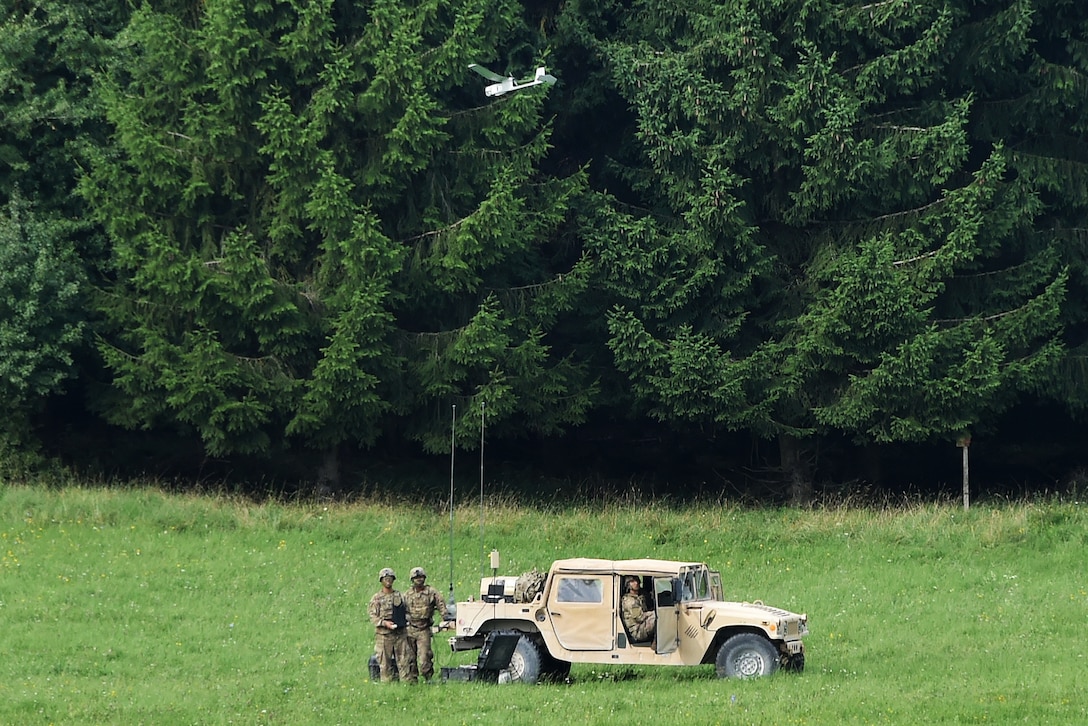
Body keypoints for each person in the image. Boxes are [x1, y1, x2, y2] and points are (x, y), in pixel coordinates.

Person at [403, 566, 449, 682]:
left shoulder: (431, 592)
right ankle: (412, 680)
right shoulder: (406, 595)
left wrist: (446, 618)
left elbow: (441, 605)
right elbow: (400, 610)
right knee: (410, 657)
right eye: (416, 578)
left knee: (425, 657)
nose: (418, 579)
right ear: (412, 580)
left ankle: (428, 677)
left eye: (421, 577)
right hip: (410, 629)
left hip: (424, 629)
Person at [368, 567, 411, 683]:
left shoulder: (400, 596)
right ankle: (386, 685)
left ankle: (407, 685)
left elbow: (408, 611)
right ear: (381, 580)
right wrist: (384, 623)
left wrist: (404, 621)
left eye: (390, 578)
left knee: (404, 662)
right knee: (384, 664)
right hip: (384, 636)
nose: (388, 581)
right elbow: (373, 616)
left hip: (400, 635)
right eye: (386, 578)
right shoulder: (376, 598)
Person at [621, 575, 656, 643]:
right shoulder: (630, 601)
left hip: (642, 626)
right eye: (632, 581)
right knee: (658, 617)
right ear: (628, 584)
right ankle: (655, 642)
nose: (636, 583)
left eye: (636, 580)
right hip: (637, 631)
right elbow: (640, 618)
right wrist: (653, 613)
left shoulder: (639, 596)